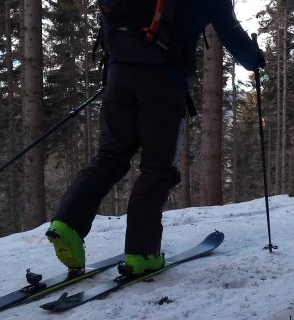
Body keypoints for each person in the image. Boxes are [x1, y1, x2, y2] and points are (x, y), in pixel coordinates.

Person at [46, 0, 265, 276]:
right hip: (163, 83)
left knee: (110, 157)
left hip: (117, 76)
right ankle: (142, 253)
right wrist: (254, 58)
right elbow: (230, 32)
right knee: (157, 168)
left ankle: (67, 224)